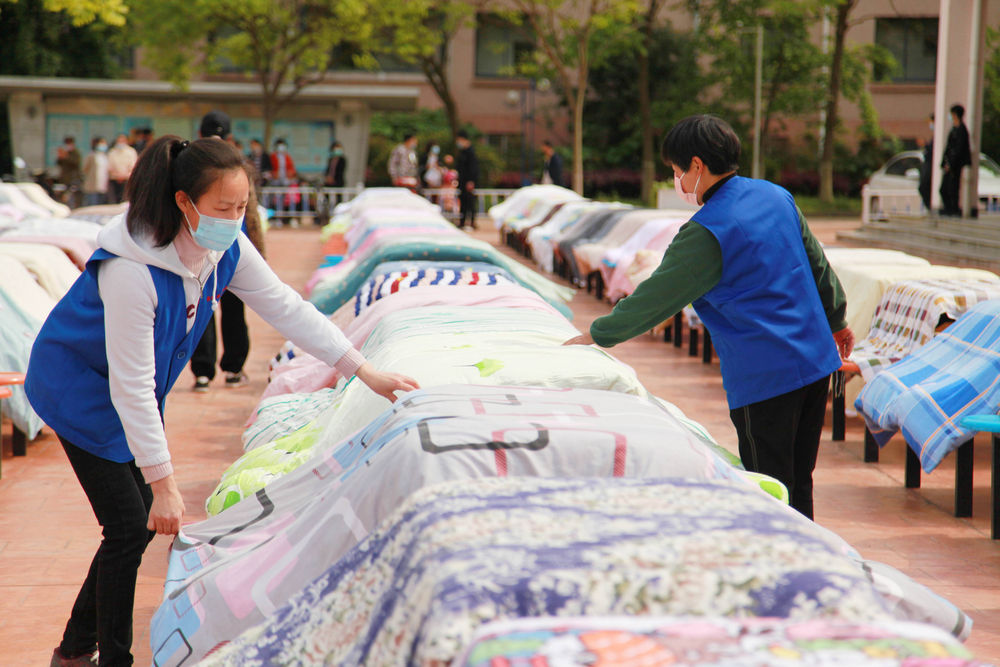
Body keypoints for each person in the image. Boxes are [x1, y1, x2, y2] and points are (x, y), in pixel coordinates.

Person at [26, 135, 419, 667]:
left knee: (134, 525)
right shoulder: (131, 270)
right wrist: (164, 484)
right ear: (184, 202)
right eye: (223, 208)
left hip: (130, 391)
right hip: (77, 388)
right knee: (129, 525)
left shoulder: (223, 246)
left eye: (242, 207)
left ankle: (74, 650)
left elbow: (285, 307)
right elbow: (131, 386)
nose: (234, 219)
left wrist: (362, 370)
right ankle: (107, 658)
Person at [563, 115, 853, 520]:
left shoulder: (707, 231)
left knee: (771, 488)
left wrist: (598, 334)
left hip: (767, 376)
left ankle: (778, 552)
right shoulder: (775, 196)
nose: (677, 181)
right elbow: (817, 263)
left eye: (677, 170)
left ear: (697, 165)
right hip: (816, 361)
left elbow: (656, 297)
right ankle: (809, 551)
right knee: (799, 481)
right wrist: (837, 320)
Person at [190, 110, 265, 392]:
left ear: (200, 133)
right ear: (230, 136)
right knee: (234, 310)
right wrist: (259, 254)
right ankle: (233, 369)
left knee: (202, 309)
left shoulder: (190, 162)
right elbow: (252, 213)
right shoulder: (238, 164)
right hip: (233, 246)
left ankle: (202, 373)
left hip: (197, 247)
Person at [939, 103, 971, 217]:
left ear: (955, 115)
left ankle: (954, 209)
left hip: (955, 165)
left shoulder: (962, 130)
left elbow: (959, 150)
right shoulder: (954, 129)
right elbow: (948, 147)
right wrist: (944, 162)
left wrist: (951, 164)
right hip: (949, 163)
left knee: (953, 187)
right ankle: (948, 208)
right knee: (944, 188)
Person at [455, 130, 479, 229]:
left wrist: (471, 181)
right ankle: (462, 222)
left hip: (468, 181)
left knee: (470, 202)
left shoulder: (470, 152)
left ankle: (472, 222)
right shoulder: (463, 152)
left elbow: (473, 168)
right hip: (462, 181)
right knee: (463, 202)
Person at [107, 133, 138, 204]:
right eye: (119, 140)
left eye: (122, 140)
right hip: (114, 180)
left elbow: (133, 166)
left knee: (125, 200)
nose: (121, 142)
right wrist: (117, 176)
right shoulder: (112, 152)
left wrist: (124, 175)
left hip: (127, 180)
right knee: (114, 200)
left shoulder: (131, 152)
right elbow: (109, 167)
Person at [81, 136, 110, 207]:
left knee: (101, 206)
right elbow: (85, 169)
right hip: (92, 187)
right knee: (93, 205)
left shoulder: (105, 156)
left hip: (103, 186)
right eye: (101, 143)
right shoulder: (91, 156)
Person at [56, 136, 82, 207]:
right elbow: (59, 163)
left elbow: (75, 163)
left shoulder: (75, 153)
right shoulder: (65, 152)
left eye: (69, 143)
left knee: (72, 196)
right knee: (64, 197)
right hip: (64, 179)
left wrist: (66, 157)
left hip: (73, 178)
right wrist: (60, 157)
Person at [918, 114, 934, 211]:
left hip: (930, 166)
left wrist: (925, 144)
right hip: (928, 164)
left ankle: (931, 207)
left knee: (924, 186)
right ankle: (930, 207)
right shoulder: (934, 136)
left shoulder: (938, 135)